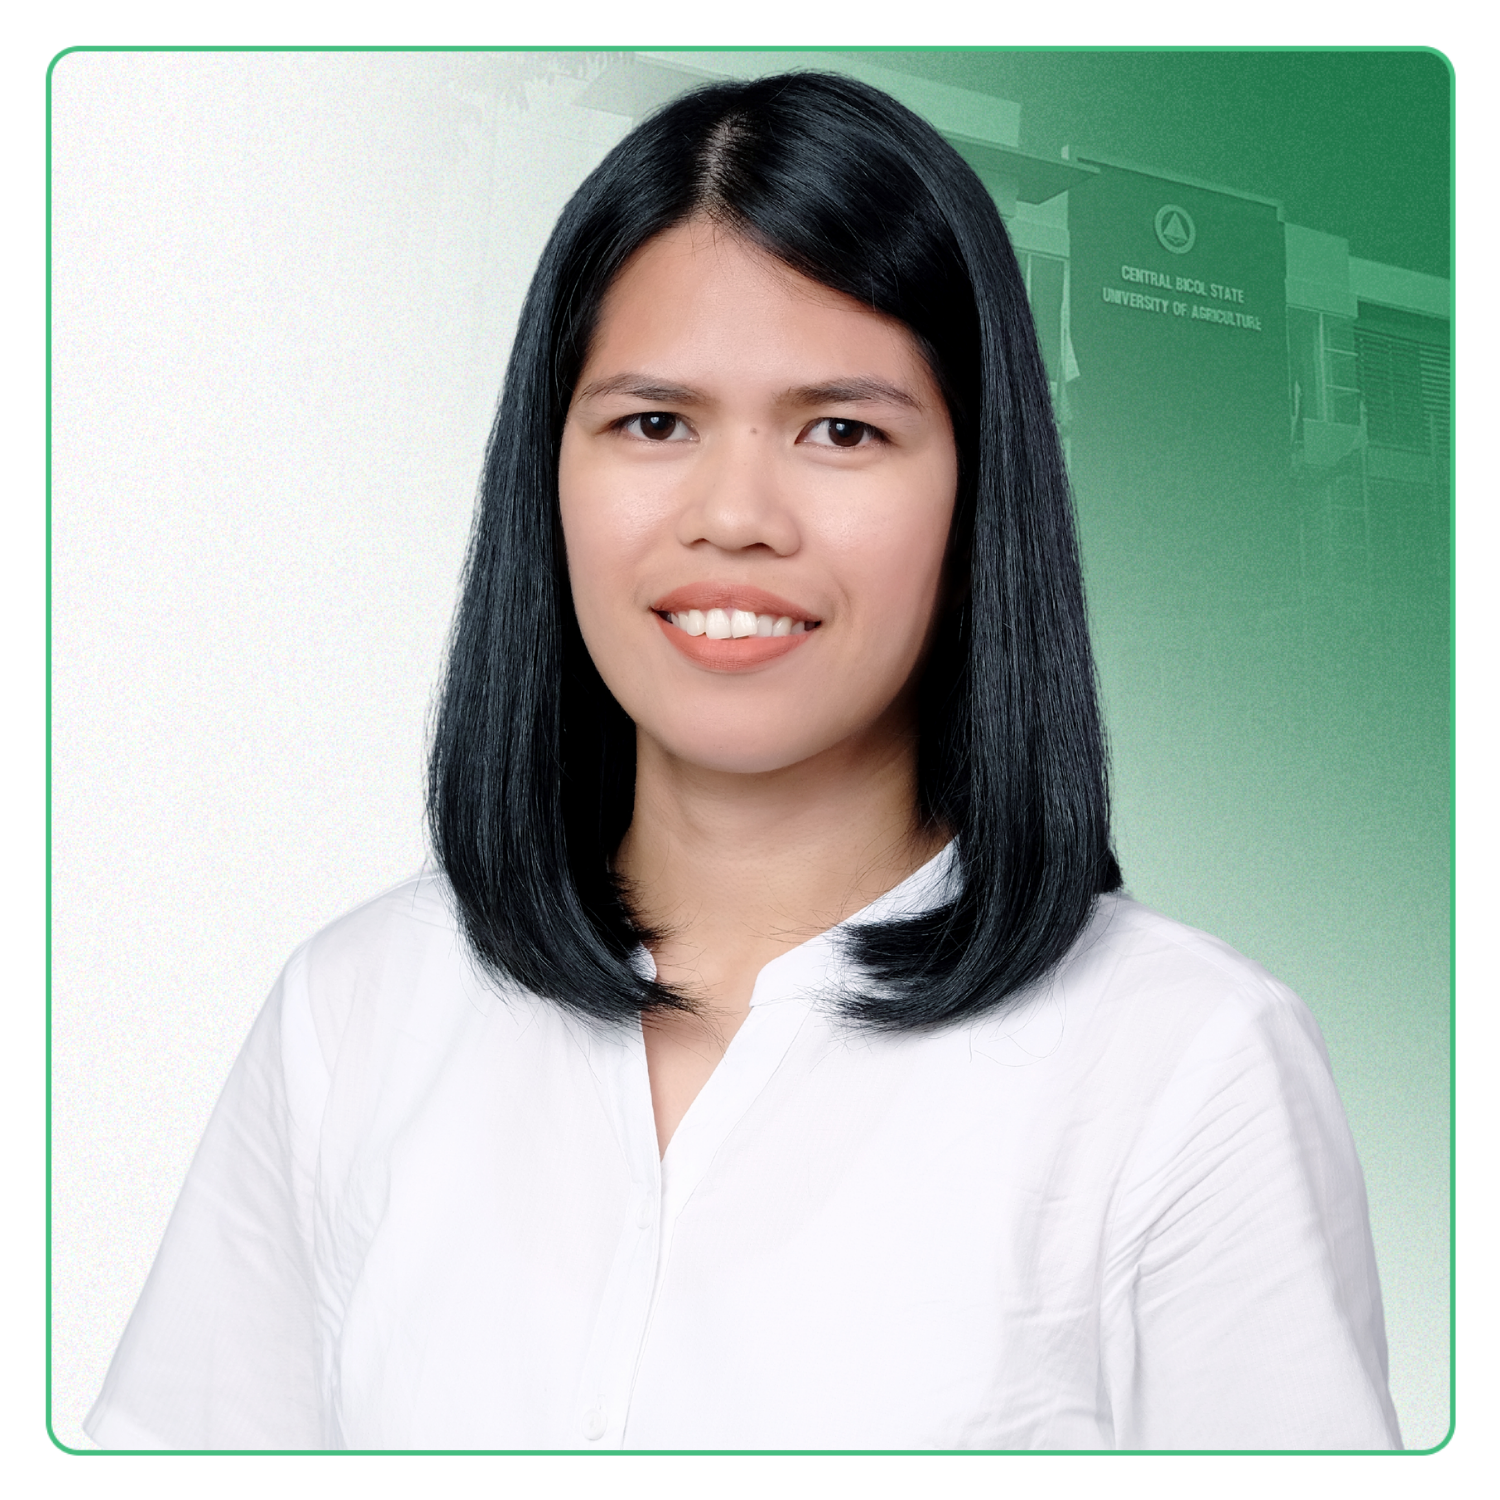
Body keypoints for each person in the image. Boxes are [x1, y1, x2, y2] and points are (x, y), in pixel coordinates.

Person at [84, 72, 1402, 1452]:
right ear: (548, 473)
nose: (735, 517)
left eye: (844, 430)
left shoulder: (1187, 1065)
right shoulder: (354, 1012)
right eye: (654, 423)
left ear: (979, 489)